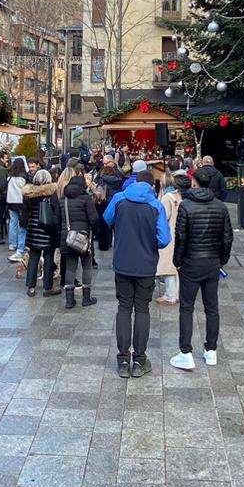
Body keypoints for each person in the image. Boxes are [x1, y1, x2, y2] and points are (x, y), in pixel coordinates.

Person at [103, 160, 171, 379]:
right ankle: (139, 360)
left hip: (122, 261)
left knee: (124, 307)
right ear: (152, 186)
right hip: (146, 264)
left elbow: (107, 219)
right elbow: (163, 239)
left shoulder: (119, 198)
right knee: (142, 309)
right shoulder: (156, 205)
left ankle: (123, 360)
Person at [171, 168, 233, 370]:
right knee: (212, 308)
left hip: (190, 261)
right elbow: (227, 237)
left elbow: (181, 236)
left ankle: (185, 352)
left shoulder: (186, 206)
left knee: (187, 307)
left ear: (195, 183)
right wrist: (222, 259)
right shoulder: (221, 206)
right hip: (212, 261)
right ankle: (211, 350)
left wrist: (177, 261)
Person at [56, 164, 99, 309]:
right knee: (86, 266)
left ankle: (69, 300)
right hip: (83, 237)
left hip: (66, 237)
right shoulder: (86, 199)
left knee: (70, 267)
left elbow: (57, 219)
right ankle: (86, 298)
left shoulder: (63, 200)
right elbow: (94, 219)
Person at [21, 167, 62, 297]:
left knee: (34, 257)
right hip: (48, 230)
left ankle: (31, 287)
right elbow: (57, 212)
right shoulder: (52, 193)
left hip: (33, 230)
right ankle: (47, 287)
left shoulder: (29, 194)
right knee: (49, 258)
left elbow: (25, 214)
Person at [153, 165, 182, 305]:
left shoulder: (166, 198)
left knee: (168, 266)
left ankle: (170, 295)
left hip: (168, 235)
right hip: (178, 234)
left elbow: (162, 217)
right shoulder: (178, 195)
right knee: (176, 267)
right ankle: (177, 293)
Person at [94, 156, 125, 255]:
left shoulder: (101, 175)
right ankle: (117, 245)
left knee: (103, 224)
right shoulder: (119, 175)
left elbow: (96, 186)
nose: (104, 165)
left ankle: (104, 245)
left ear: (112, 162)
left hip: (104, 201)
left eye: (106, 163)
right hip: (115, 202)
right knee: (116, 224)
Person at [5, 157, 28, 263]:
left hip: (10, 202)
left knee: (12, 222)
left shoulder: (10, 177)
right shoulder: (24, 177)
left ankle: (12, 244)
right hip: (20, 203)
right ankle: (21, 246)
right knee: (22, 225)